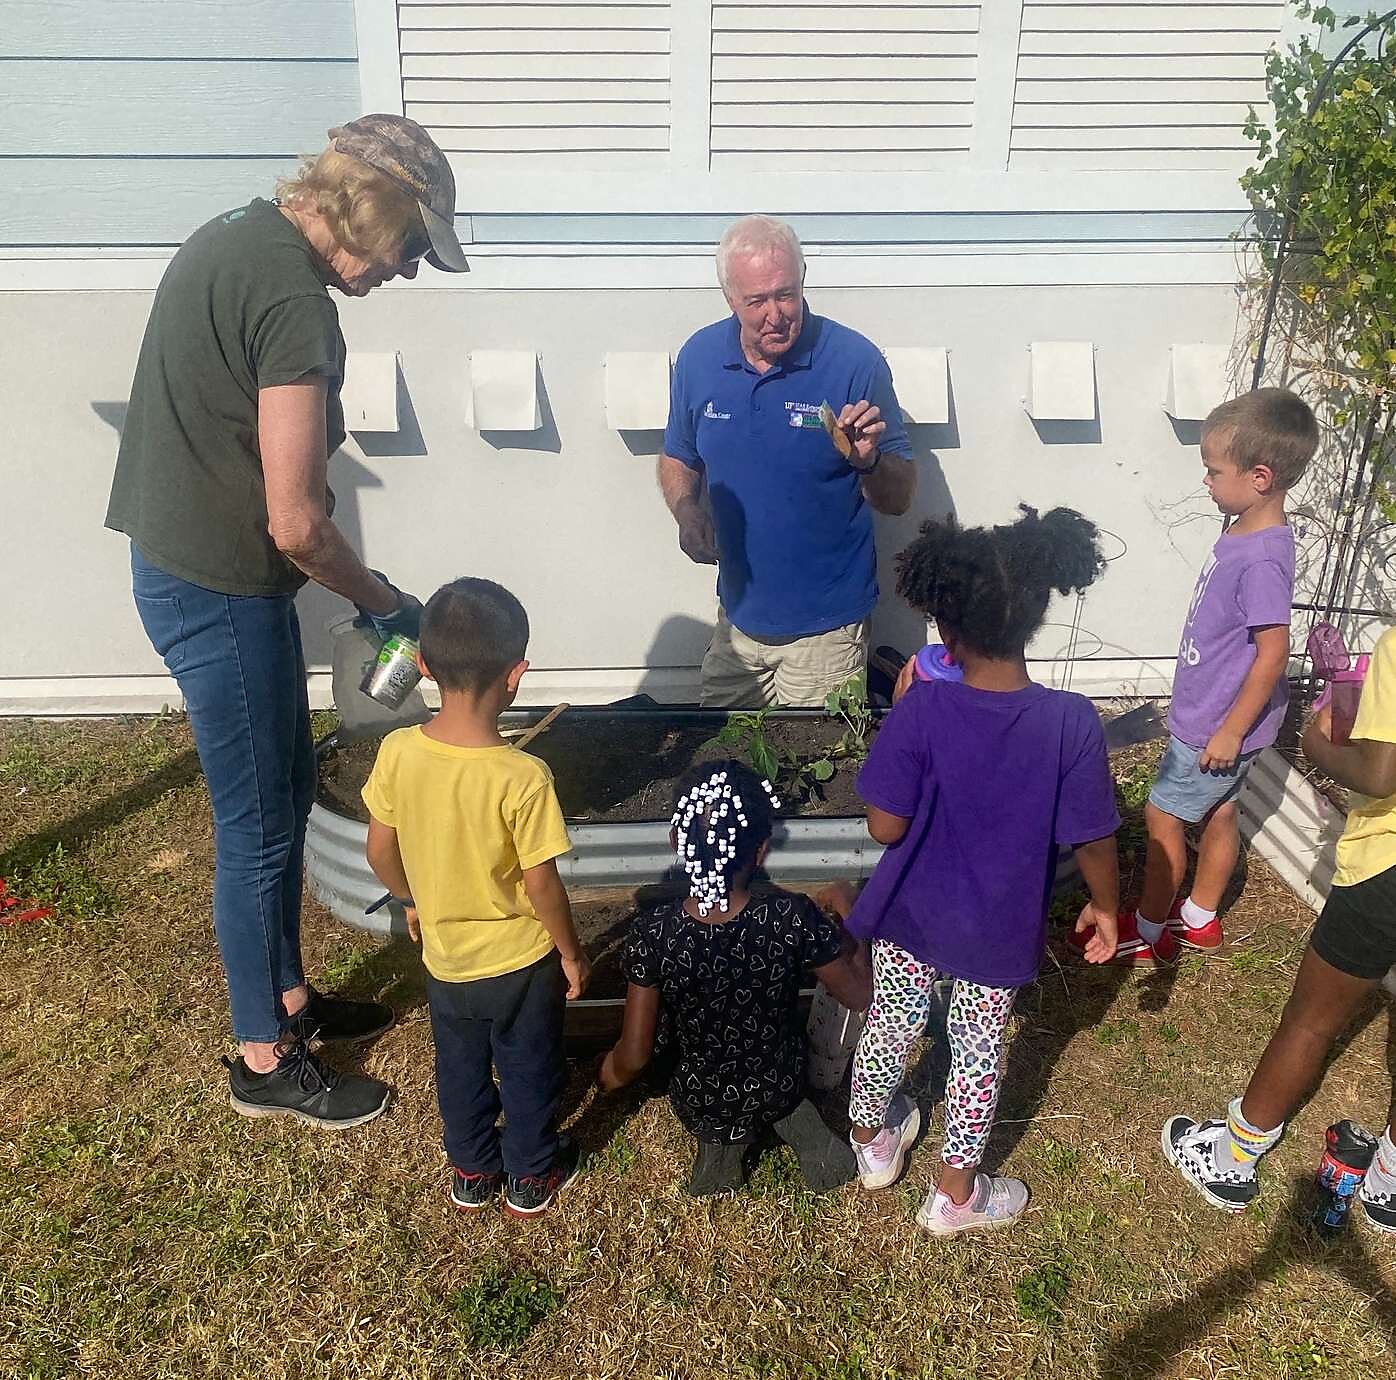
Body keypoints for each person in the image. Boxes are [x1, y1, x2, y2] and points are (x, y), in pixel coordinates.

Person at [103, 114, 472, 1128]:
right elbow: (298, 522)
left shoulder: (239, 234)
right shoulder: (294, 299)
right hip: (219, 589)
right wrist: (383, 601)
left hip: (188, 569)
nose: (407, 269)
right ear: (376, 208)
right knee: (259, 827)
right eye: (412, 245)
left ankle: (290, 998)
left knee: (287, 788)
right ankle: (264, 1059)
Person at [842, 506, 1122, 1235]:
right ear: (1034, 617)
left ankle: (872, 1142)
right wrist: (1106, 906)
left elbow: (884, 827)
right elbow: (1094, 838)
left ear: (945, 629)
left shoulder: (922, 709)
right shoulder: (1071, 721)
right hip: (996, 925)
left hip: (912, 913)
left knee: (890, 1023)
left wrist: (902, 717)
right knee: (976, 1057)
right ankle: (955, 1196)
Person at [362, 578, 591, 1217]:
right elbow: (542, 884)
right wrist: (571, 953)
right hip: (520, 962)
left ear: (423, 665)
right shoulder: (523, 776)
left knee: (460, 1067)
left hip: (446, 960)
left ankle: (471, 1169)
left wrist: (410, 899)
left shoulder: (398, 752)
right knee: (529, 1066)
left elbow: (379, 850)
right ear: (516, 675)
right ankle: (532, 1173)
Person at [1162, 627, 1396, 1229]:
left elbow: (1380, 774)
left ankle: (1233, 1157)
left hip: (1388, 871)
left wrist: (1316, 742)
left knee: (1311, 1020)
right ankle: (1391, 1180)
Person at [1075, 388, 1318, 965]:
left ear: (1260, 477)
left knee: (1163, 818)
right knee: (1221, 810)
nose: (1205, 480)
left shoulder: (1262, 557)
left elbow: (1273, 653)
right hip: (1220, 716)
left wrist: (1229, 731)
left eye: (1213, 471)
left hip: (1215, 724)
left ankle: (1149, 929)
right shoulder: (1247, 529)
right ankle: (1201, 918)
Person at [659, 215, 916, 709]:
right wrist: (687, 512)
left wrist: (868, 463)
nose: (774, 315)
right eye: (756, 301)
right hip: (737, 621)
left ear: (803, 282)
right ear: (729, 297)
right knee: (725, 752)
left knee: (817, 758)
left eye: (785, 295)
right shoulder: (698, 359)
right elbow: (678, 453)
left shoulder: (854, 361)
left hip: (827, 631)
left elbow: (900, 498)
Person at [597, 761, 875, 1195]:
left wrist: (609, 1074)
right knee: (787, 1102)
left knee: (718, 1121)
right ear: (761, 850)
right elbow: (860, 995)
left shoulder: (654, 931)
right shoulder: (790, 916)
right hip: (781, 1083)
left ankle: (720, 1152)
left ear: (676, 841)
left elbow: (635, 1054)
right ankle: (807, 1136)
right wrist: (850, 909)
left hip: (702, 1098)